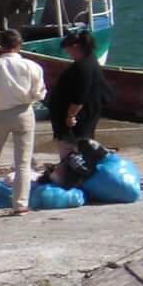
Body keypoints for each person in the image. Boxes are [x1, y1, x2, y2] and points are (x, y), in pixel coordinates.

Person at [0, 30, 46, 215]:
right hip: (23, 112)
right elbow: (40, 94)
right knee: (22, 162)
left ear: (1, 46)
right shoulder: (32, 66)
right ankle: (20, 205)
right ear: (19, 45)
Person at [50, 29, 108, 181]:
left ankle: (72, 179)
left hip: (80, 117)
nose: (68, 53)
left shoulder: (83, 67)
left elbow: (80, 96)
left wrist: (70, 115)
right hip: (87, 112)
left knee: (74, 149)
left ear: (75, 46)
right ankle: (74, 177)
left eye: (68, 50)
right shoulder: (89, 61)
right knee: (80, 148)